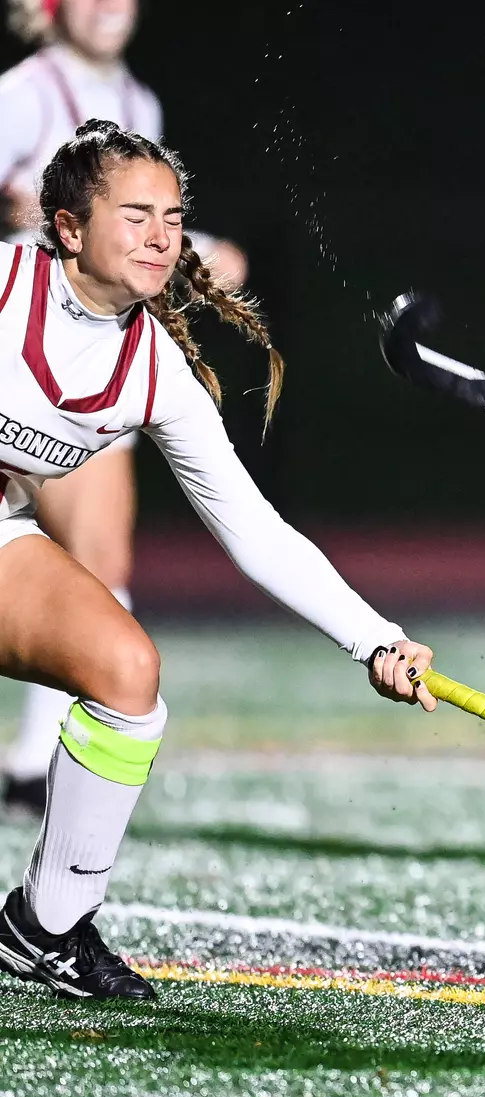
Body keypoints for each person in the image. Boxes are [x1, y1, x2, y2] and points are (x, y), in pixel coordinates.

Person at [0, 120, 434, 1001]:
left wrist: (375, 640)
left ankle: (42, 928)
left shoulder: (154, 370)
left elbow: (256, 532)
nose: (163, 236)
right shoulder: (5, 280)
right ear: (69, 227)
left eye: (173, 216)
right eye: (136, 215)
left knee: (127, 673)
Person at [0, 0, 250, 813]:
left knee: (101, 569)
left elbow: (126, 227)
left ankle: (34, 763)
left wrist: (202, 252)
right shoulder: (25, 94)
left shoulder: (139, 105)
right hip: (25, 356)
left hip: (99, 355)